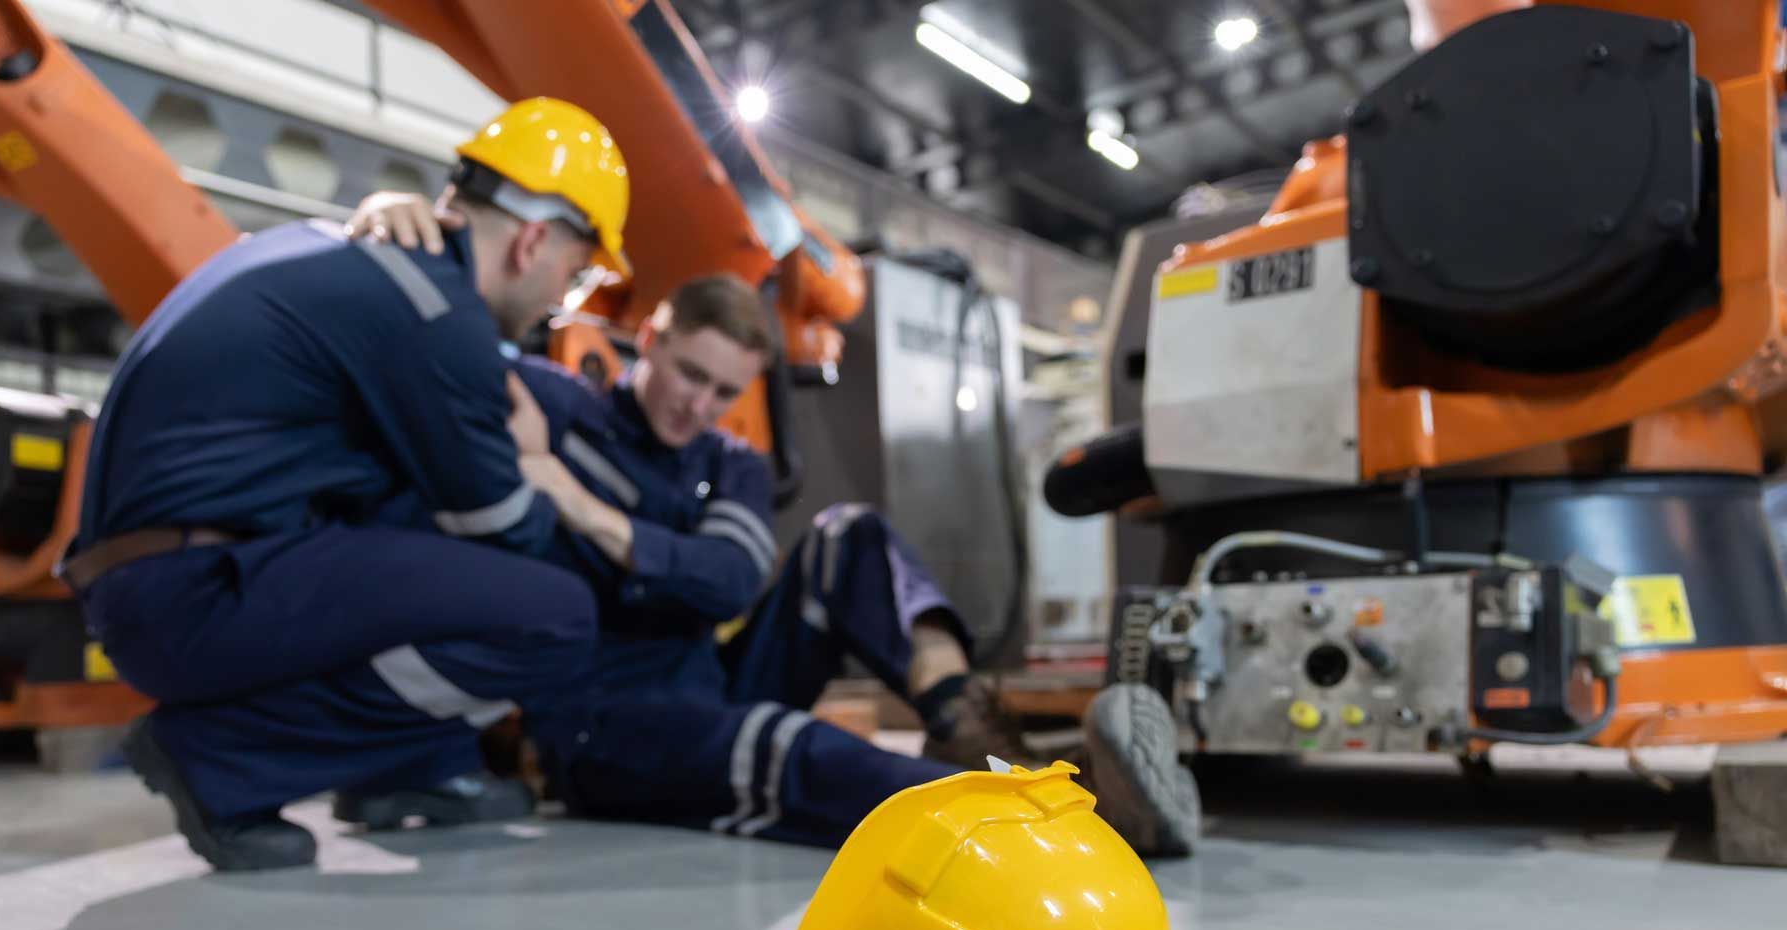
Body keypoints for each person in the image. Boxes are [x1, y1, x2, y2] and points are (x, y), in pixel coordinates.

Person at [365, 193, 1199, 852]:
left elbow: (728, 578)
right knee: (779, 744)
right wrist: (403, 234)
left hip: (709, 682)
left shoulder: (727, 462)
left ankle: (968, 730)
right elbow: (452, 355)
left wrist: (583, 508)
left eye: (723, 391)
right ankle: (1037, 818)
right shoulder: (567, 409)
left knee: (849, 535)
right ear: (650, 339)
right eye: (688, 373)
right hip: (597, 720)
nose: (698, 404)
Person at [62, 98, 633, 872]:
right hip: (188, 594)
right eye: (576, 274)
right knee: (553, 614)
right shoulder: (438, 311)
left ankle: (407, 768)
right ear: (534, 239)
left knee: (417, 516)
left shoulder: (347, 255)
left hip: (153, 580)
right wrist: (543, 472)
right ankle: (221, 757)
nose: (558, 306)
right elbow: (504, 529)